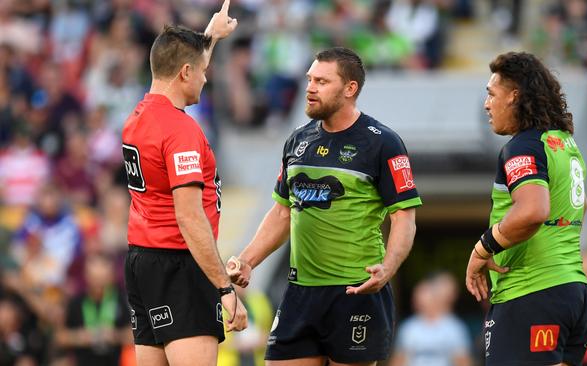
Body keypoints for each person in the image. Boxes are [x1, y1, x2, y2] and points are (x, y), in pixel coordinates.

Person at [228, 47, 422, 366]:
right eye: (309, 79)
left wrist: (388, 267)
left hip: (354, 292)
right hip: (300, 292)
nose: (310, 88)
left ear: (350, 89)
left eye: (321, 81)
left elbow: (404, 218)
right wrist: (248, 260)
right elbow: (281, 211)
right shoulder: (297, 141)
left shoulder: (383, 143)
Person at [121, 2, 248, 365]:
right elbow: (189, 218)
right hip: (179, 265)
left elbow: (180, 62)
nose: (206, 79)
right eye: (203, 72)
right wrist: (224, 287)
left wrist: (210, 35)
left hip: (141, 262)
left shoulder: (137, 117)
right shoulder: (180, 131)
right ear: (186, 72)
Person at [465, 52, 587, 366]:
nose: (486, 104)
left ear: (514, 96)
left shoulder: (523, 145)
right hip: (573, 292)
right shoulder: (565, 144)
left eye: (491, 94)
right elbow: (581, 206)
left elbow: (533, 210)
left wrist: (482, 249)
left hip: (532, 293)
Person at [390, 272, 472, 366]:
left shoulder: (454, 327)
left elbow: (463, 361)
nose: (419, 299)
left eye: (424, 294)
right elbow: (399, 360)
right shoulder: (409, 327)